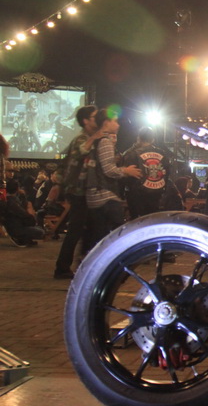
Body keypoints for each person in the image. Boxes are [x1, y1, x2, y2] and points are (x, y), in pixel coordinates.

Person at [53, 105, 99, 279]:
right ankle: (62, 267)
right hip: (78, 191)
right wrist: (96, 136)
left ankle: (81, 264)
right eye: (94, 117)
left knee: (86, 228)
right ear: (86, 121)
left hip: (84, 191)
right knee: (76, 229)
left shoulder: (88, 138)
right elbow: (81, 152)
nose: (98, 120)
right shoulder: (82, 139)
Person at [85, 109, 141, 250]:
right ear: (106, 122)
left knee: (99, 235)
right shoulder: (105, 141)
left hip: (95, 194)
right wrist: (126, 171)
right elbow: (109, 170)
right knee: (117, 232)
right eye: (115, 121)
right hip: (104, 194)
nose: (118, 125)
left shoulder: (95, 139)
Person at [121, 126, 171, 219]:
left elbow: (125, 177)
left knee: (138, 222)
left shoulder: (132, 154)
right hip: (156, 194)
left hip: (137, 196)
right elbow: (167, 174)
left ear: (139, 138)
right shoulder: (163, 154)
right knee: (152, 220)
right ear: (152, 139)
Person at [0, 179, 45, 246]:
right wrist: (31, 218)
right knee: (41, 232)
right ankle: (21, 239)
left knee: (38, 228)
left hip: (12, 227)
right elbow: (24, 213)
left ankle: (25, 239)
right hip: (17, 228)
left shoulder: (7, 200)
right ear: (17, 189)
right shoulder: (12, 201)